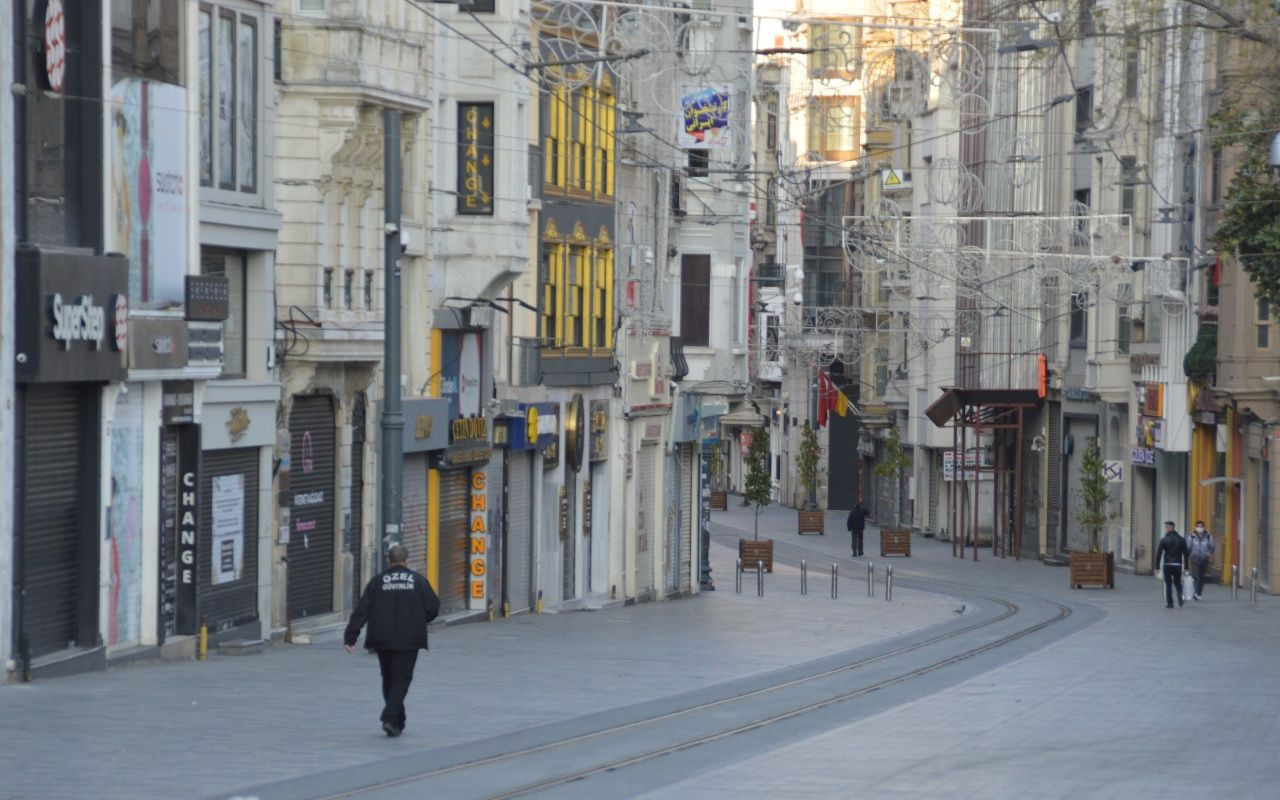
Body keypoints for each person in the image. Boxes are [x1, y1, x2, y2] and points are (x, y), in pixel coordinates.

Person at [344, 543, 440, 737]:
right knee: (402, 679)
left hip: (382, 638)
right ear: (407, 560)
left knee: (389, 678)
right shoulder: (418, 580)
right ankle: (389, 716)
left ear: (388, 560)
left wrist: (351, 636)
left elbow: (362, 610)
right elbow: (433, 607)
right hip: (409, 639)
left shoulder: (378, 581)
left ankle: (397, 722)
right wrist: (419, 619)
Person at [1154, 521, 1190, 609]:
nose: (1165, 529)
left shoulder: (1164, 539)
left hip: (1167, 564)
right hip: (1177, 564)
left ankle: (1170, 603)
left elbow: (1159, 553)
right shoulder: (1181, 539)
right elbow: (1186, 553)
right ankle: (1180, 595)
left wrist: (1157, 566)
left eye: (1166, 527)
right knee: (1178, 582)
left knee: (1168, 584)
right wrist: (1186, 566)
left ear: (1169, 528)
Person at [1187, 521, 1214, 600]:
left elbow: (1212, 547)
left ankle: (1199, 592)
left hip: (1204, 559)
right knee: (1195, 576)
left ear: (1204, 527)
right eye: (1198, 526)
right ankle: (1195, 592)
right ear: (1195, 527)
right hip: (1194, 558)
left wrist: (1208, 554)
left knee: (1202, 577)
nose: (1199, 528)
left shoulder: (1208, 536)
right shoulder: (1191, 537)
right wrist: (1188, 556)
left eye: (1201, 526)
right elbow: (1188, 548)